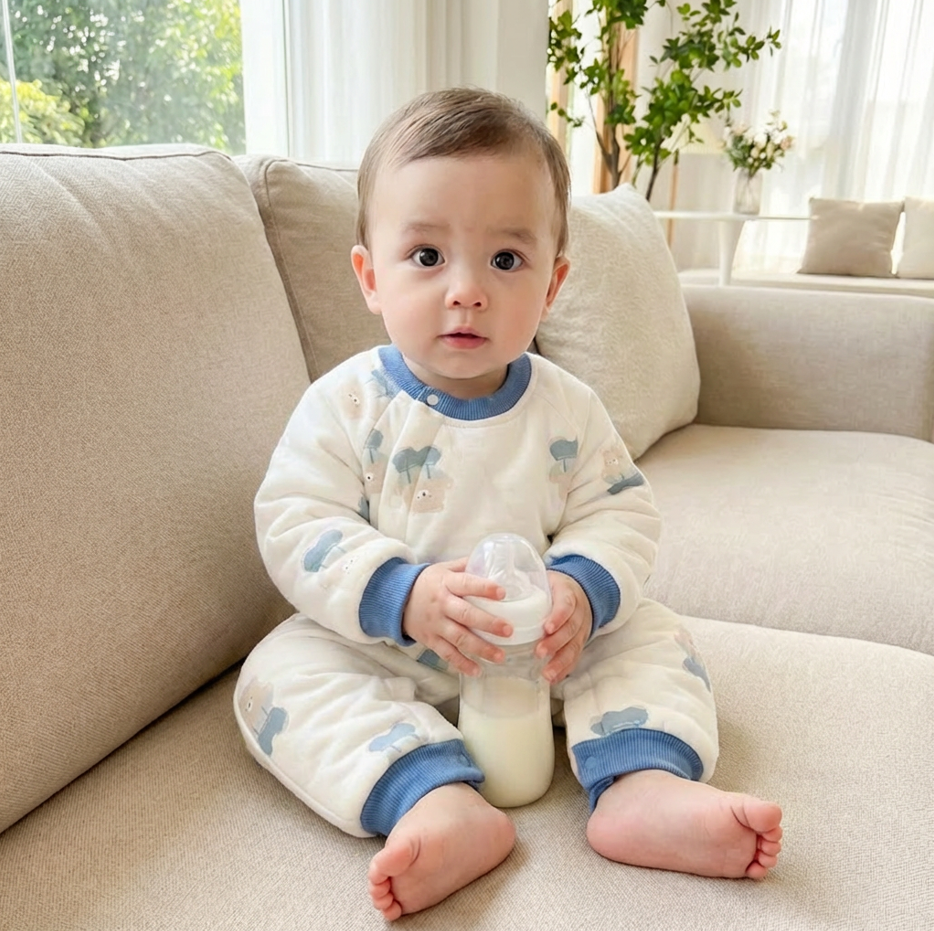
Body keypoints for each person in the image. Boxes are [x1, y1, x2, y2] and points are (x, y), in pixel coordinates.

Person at [235, 86, 783, 921]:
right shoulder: (345, 405)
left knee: (650, 631)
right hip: (392, 653)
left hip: (547, 651)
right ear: (370, 276)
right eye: (427, 255)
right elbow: (295, 517)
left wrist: (580, 591)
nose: (466, 290)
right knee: (278, 674)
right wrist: (401, 593)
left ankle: (642, 783)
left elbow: (621, 511)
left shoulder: (568, 407)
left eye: (505, 260)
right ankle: (429, 797)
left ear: (553, 284)